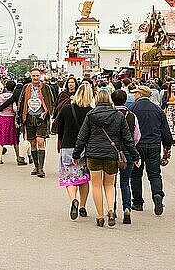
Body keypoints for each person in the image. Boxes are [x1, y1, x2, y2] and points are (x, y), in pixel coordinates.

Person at [73, 90, 140, 227]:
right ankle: (111, 209)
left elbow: (82, 136)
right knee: (109, 185)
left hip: (93, 154)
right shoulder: (118, 116)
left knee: (96, 185)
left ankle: (100, 216)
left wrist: (76, 154)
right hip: (111, 154)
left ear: (96, 100)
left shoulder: (91, 115)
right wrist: (135, 156)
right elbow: (127, 139)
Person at [130, 85, 174, 216]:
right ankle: (157, 194)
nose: (134, 95)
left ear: (140, 94)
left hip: (138, 146)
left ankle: (137, 202)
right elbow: (165, 129)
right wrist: (167, 146)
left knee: (136, 175)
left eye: (136, 93)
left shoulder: (132, 108)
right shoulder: (158, 109)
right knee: (154, 174)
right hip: (154, 145)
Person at [57, 83, 93, 220]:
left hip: (67, 146)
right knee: (84, 178)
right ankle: (83, 206)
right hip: (85, 148)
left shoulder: (66, 109)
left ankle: (73, 200)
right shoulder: (91, 111)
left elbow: (59, 129)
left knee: (70, 178)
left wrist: (62, 140)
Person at [17, 68, 54, 178]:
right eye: (33, 76)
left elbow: (51, 101)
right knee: (32, 142)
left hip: (41, 118)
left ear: (40, 76)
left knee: (40, 141)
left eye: (37, 75)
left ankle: (41, 168)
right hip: (29, 117)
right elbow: (21, 102)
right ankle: (36, 166)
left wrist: (47, 112)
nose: (36, 78)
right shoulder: (26, 88)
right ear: (31, 76)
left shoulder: (45, 88)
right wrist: (19, 118)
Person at [111, 89, 141, 224]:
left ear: (112, 100)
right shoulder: (131, 115)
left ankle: (113, 208)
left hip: (112, 152)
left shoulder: (110, 114)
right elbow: (136, 136)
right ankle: (127, 208)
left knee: (111, 183)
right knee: (125, 182)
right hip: (128, 152)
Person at [0, 80, 18, 164]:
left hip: (1, 117)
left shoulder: (1, 96)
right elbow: (14, 108)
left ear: (5, 87)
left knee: (0, 138)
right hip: (11, 118)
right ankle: (18, 157)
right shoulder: (13, 96)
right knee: (14, 139)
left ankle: (0, 158)